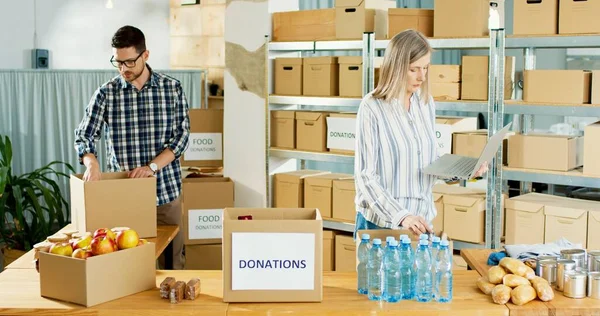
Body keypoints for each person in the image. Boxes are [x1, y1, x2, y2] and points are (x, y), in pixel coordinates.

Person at [74, 25, 190, 269]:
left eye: (129, 62)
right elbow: (84, 135)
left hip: (166, 193)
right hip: (124, 196)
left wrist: (152, 167)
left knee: (172, 263)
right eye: (118, 63)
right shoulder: (106, 93)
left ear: (145, 55)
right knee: (128, 267)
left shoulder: (172, 89)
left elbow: (181, 138)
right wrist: (91, 162)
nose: (123, 69)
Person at [354, 29, 487, 237]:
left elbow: (429, 163)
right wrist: (402, 216)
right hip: (383, 224)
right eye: (414, 69)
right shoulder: (372, 107)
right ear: (396, 68)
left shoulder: (425, 103)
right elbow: (366, 177)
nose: (422, 77)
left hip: (420, 223)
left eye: (426, 68)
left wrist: (467, 171)